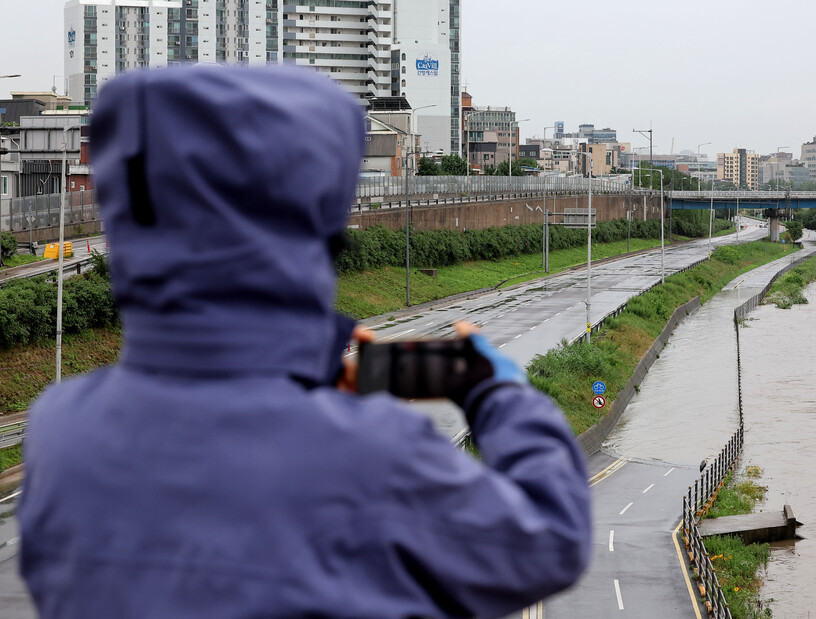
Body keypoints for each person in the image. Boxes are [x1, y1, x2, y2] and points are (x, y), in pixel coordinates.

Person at [18, 64, 591, 618]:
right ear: (313, 225)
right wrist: (495, 392)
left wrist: (302, 370)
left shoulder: (61, 434)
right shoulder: (374, 459)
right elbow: (553, 534)